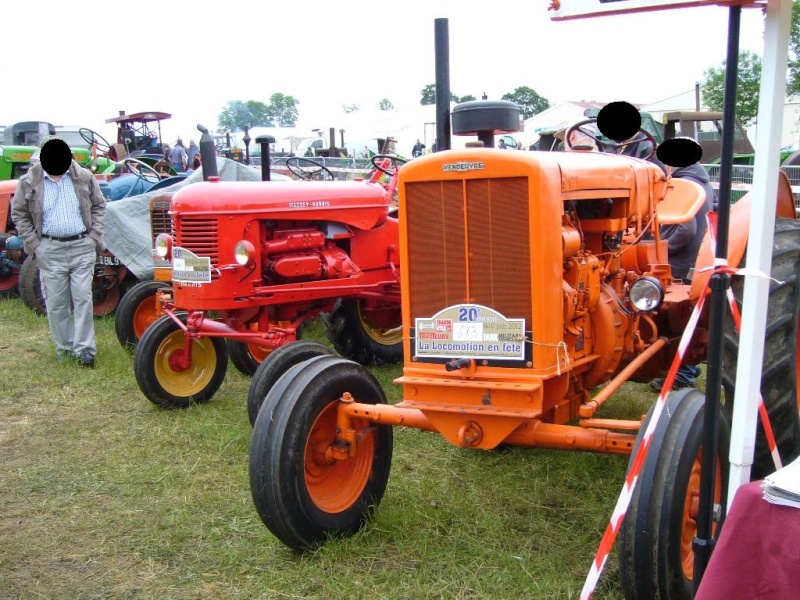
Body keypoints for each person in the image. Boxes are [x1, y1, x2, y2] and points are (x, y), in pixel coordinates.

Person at [11, 138, 106, 367]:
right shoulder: (29, 181)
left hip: (81, 245)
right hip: (49, 248)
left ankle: (85, 351)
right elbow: (19, 215)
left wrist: (93, 237)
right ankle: (64, 349)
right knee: (56, 302)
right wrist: (36, 245)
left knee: (83, 298)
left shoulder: (83, 177)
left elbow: (99, 205)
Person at [649, 156, 715, 392]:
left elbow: (687, 228)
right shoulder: (703, 181)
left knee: (678, 317)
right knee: (689, 315)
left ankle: (684, 374)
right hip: (696, 258)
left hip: (679, 261)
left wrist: (660, 252)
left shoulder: (682, 184)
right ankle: (688, 370)